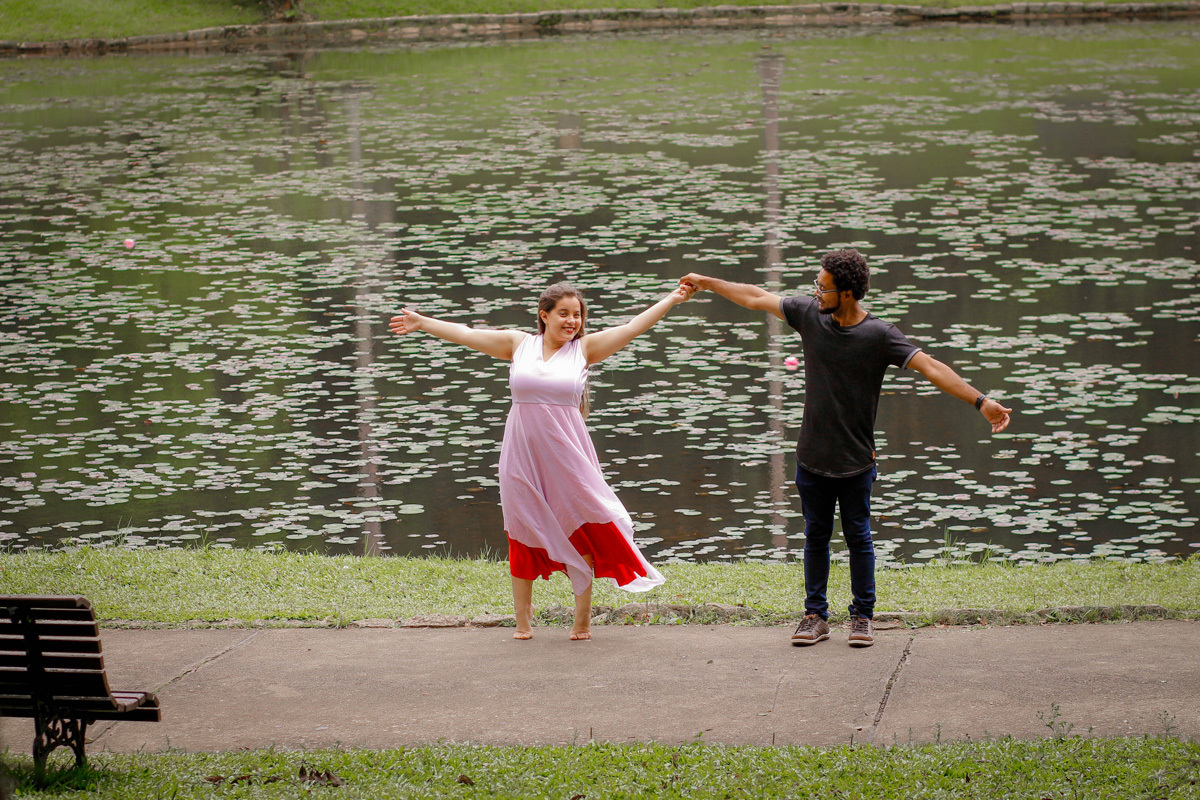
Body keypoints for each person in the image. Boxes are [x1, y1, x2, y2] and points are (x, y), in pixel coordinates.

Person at [681, 249, 1011, 648]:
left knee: (859, 538)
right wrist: (708, 282)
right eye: (816, 285)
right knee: (815, 536)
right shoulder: (810, 316)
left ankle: (862, 618)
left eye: (823, 287)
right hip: (812, 456)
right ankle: (814, 616)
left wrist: (981, 402)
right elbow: (755, 296)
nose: (816, 292)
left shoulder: (880, 335)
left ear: (848, 293)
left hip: (856, 460)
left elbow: (932, 367)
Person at [389, 282, 694, 641]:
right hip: (521, 455)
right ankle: (523, 624)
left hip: (568, 457)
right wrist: (423, 322)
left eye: (577, 315)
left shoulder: (585, 350)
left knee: (581, 526)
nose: (572, 321)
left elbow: (632, 327)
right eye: (563, 314)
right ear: (543, 315)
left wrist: (672, 299)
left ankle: (581, 623)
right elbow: (467, 333)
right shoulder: (519, 345)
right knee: (521, 528)